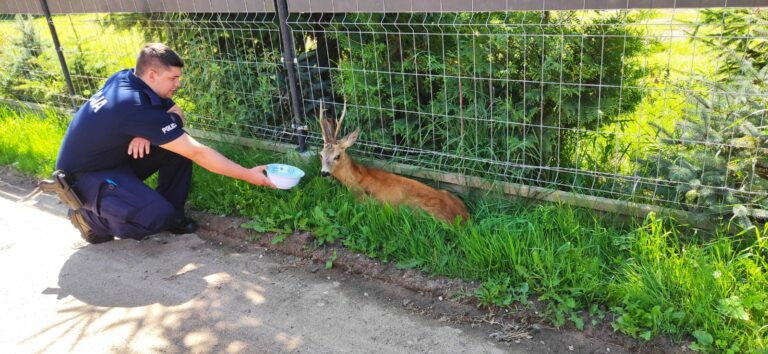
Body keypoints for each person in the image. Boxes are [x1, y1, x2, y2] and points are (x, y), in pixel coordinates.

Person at [53, 43, 275, 244]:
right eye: (173, 78)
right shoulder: (132, 106)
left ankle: (173, 216)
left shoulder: (127, 78)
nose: (178, 84)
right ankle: (89, 219)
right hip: (82, 178)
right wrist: (248, 174)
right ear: (152, 74)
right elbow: (198, 153)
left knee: (175, 145)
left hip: (110, 160)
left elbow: (176, 112)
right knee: (156, 216)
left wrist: (147, 133)